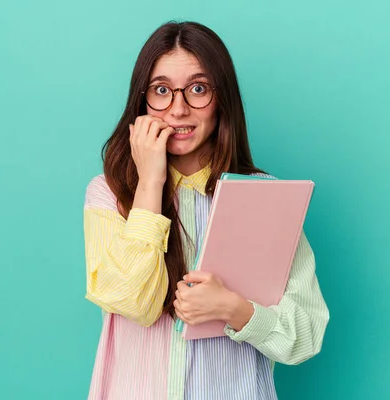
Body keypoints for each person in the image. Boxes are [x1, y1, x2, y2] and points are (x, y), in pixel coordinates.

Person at [83, 20, 330, 400]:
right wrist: (150, 182)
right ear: (142, 100)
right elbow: (134, 302)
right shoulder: (109, 194)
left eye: (198, 89)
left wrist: (236, 310)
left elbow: (307, 334)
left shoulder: (265, 196)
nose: (178, 110)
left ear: (221, 100)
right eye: (162, 90)